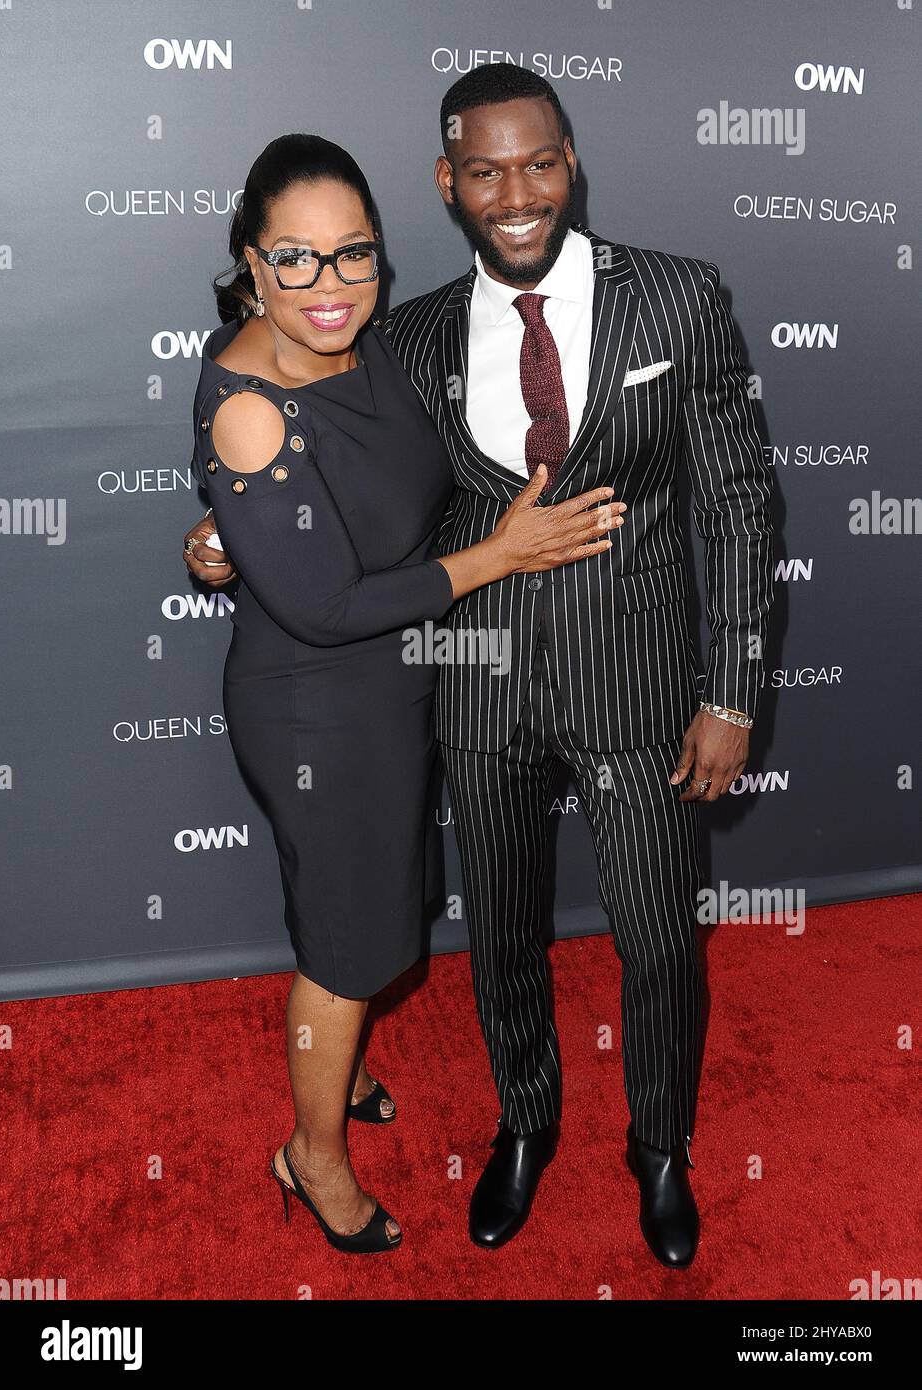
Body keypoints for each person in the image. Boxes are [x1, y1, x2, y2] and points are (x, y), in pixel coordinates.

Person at [186, 64, 775, 1268]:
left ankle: (659, 1149)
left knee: (659, 939)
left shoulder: (678, 300)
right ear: (447, 186)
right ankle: (525, 1121)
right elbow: (308, 456)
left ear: (571, 165)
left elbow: (741, 505)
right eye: (486, 171)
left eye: (540, 163)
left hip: (637, 680)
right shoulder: (402, 332)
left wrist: (732, 688)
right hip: (471, 683)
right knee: (501, 932)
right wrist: (221, 527)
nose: (518, 193)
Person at [184, 133, 625, 1255]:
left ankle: (346, 1071)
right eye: (295, 260)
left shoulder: (364, 345)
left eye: (352, 256)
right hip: (318, 708)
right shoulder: (251, 408)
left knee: (367, 916)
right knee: (344, 950)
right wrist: (506, 554)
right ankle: (312, 1156)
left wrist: (223, 540)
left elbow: (345, 518)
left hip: (395, 688)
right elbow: (325, 606)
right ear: (250, 261)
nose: (328, 287)